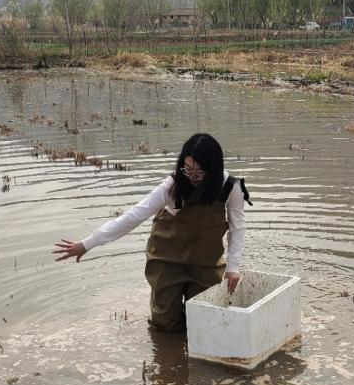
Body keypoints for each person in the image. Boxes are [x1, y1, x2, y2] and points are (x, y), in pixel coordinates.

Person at [54, 133, 252, 333]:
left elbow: (237, 228)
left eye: (199, 173)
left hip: (205, 261)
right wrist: (87, 244)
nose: (192, 177)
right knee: (165, 323)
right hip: (167, 256)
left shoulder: (230, 188)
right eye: (188, 169)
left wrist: (233, 268)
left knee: (205, 319)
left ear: (214, 170)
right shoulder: (172, 186)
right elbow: (133, 216)